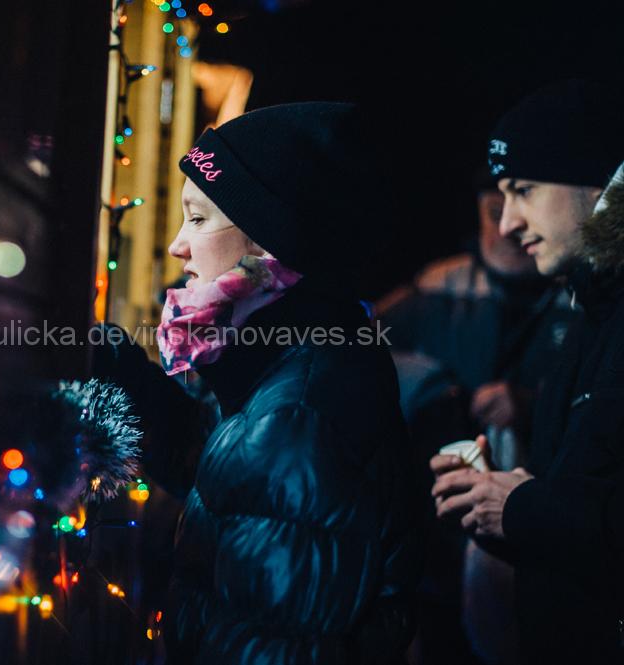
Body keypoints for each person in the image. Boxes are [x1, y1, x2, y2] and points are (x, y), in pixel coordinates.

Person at [94, 103, 420, 664]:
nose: (177, 245)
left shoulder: (299, 411)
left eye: (198, 219)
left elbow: (274, 647)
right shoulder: (289, 360)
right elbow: (224, 471)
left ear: (270, 243)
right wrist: (109, 363)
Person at [431, 80, 624, 664]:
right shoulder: (593, 309)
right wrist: (498, 504)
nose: (508, 224)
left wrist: (523, 507)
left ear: (598, 183)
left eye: (524, 191)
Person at [379, 174, 577, 664]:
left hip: (537, 539)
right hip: (434, 537)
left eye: (524, 196)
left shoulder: (579, 297)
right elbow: (360, 345)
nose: (508, 224)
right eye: (494, 209)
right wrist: (430, 387)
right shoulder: (438, 286)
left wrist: (531, 405)